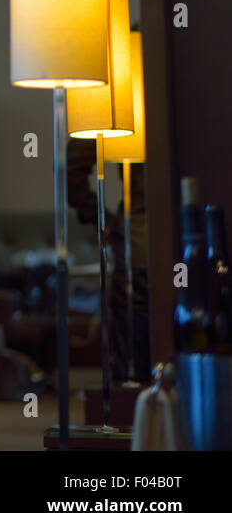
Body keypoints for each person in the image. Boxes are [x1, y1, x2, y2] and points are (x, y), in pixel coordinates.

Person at [67, 138, 151, 381]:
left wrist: (97, 216)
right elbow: (71, 171)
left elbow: (71, 170)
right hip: (162, 235)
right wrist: (99, 217)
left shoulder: (122, 102)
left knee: (134, 369)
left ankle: (134, 405)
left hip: (140, 243)